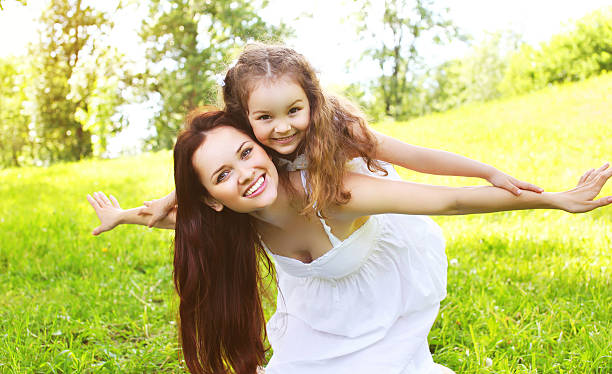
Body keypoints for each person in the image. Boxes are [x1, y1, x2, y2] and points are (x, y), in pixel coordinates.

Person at [87, 109, 612, 374]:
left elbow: (449, 202)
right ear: (214, 200)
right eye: (223, 175)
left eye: (247, 152)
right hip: (316, 322)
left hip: (377, 301)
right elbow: (180, 220)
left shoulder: (334, 192)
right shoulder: (232, 221)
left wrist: (557, 200)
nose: (246, 173)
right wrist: (126, 215)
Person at [141, 44, 543, 227]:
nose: (281, 128)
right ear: (245, 117)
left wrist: (487, 172)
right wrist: (166, 201)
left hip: (349, 201)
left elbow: (415, 156)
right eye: (266, 117)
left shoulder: (340, 129)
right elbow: (212, 167)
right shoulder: (244, 136)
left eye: (294, 111)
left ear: (312, 102)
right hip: (302, 218)